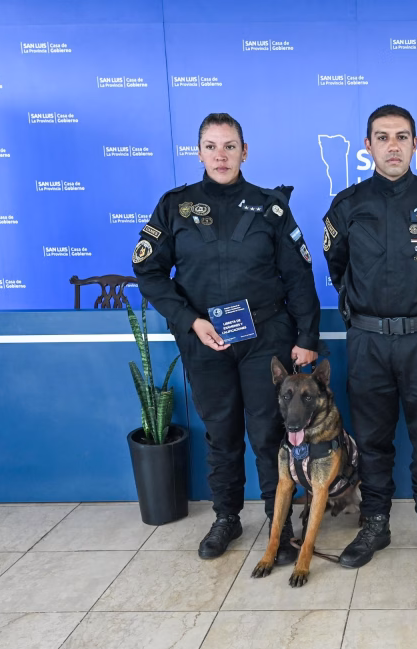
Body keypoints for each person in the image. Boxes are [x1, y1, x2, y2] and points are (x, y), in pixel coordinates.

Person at [133, 113, 320, 562]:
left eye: (230, 146)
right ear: (198, 153)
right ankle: (226, 518)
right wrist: (189, 319)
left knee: (267, 433)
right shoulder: (174, 206)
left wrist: (307, 335)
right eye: (212, 146)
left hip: (265, 336)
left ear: (245, 151)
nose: (221, 155)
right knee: (220, 432)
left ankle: (281, 525)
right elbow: (148, 270)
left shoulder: (270, 207)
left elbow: (299, 276)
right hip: (204, 336)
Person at [323, 104, 417, 569]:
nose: (393, 146)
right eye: (382, 137)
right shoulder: (347, 206)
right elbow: (337, 267)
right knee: (372, 438)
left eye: (402, 137)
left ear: (415, 144)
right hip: (368, 342)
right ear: (368, 146)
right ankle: (375, 524)